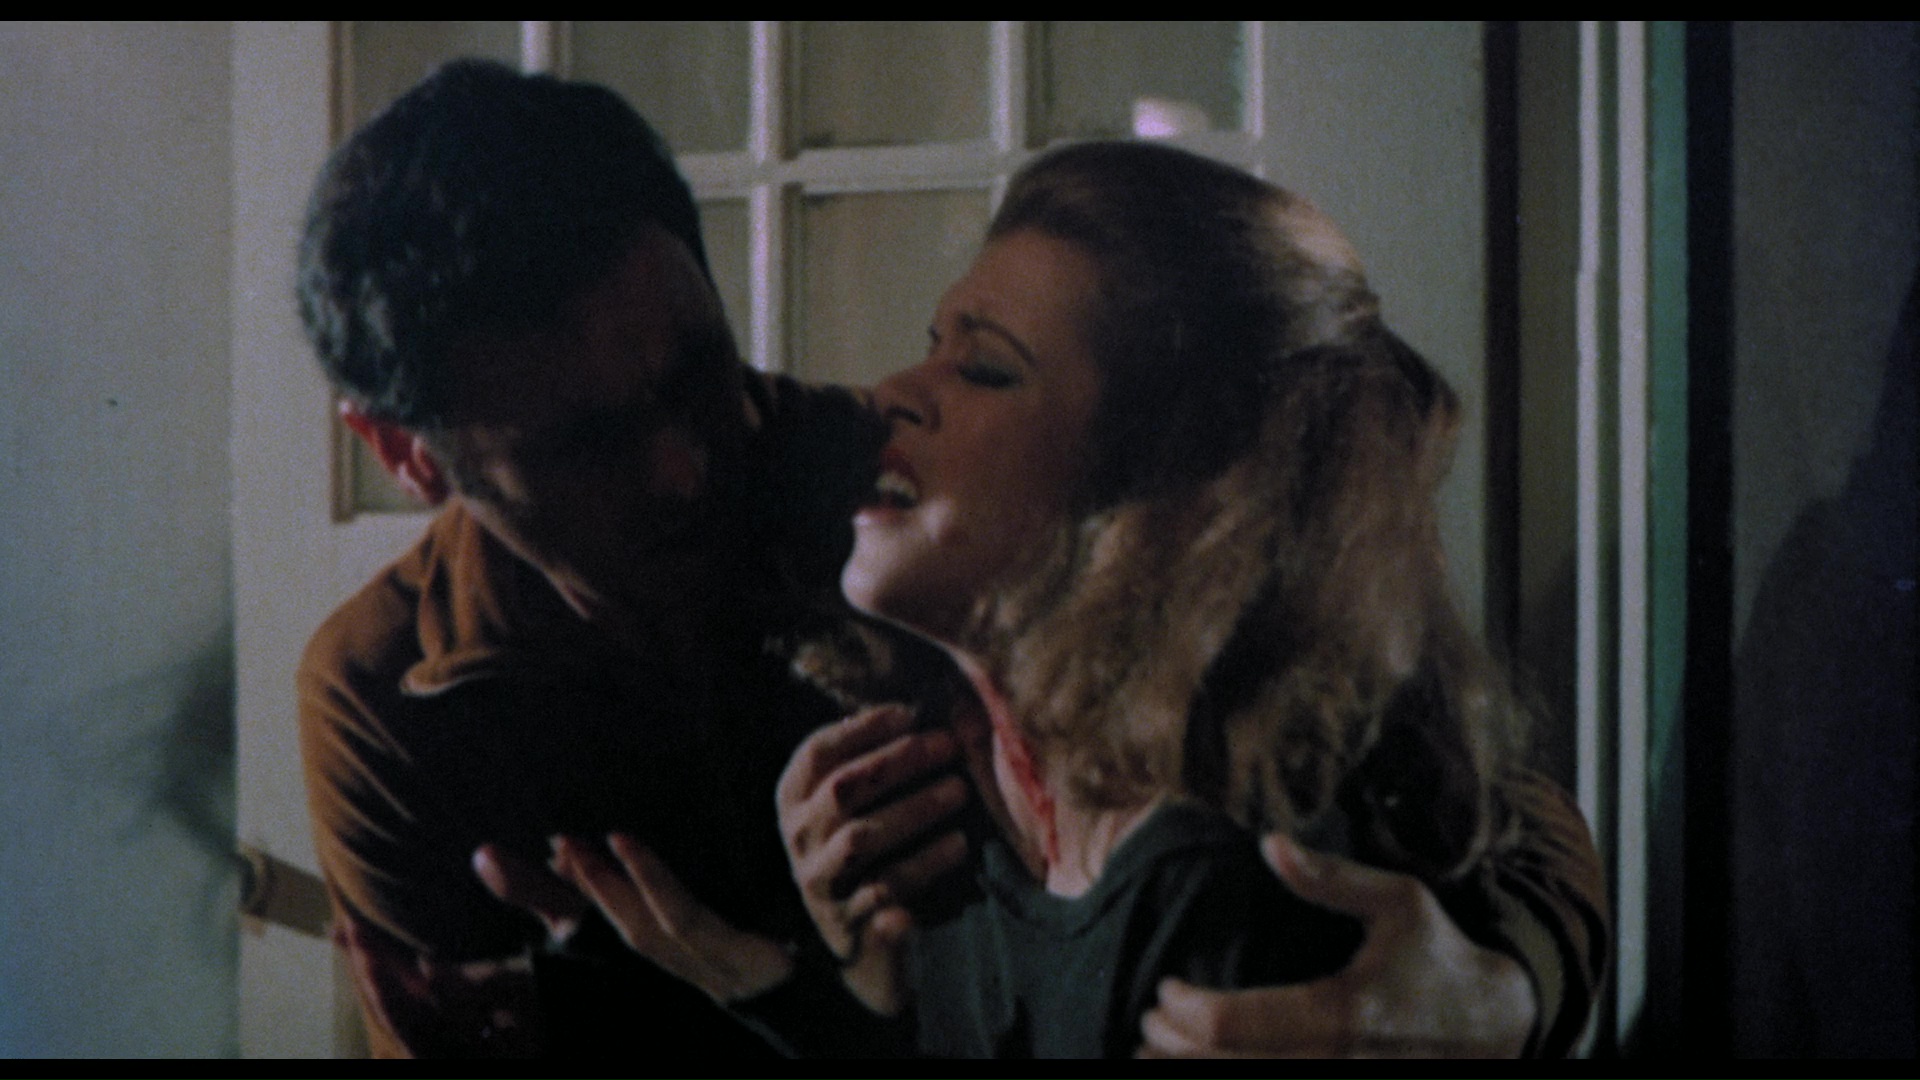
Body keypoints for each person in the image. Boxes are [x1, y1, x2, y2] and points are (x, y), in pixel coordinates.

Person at [554, 145, 1609, 1056]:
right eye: (934, 344)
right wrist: (807, 989)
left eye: (985, 368)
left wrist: (1512, 990)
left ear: (1165, 485)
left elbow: (1522, 826)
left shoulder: (1215, 894)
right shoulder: (948, 798)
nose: (890, 393)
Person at [294, 59, 881, 1056]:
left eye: (698, 371)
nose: (682, 471)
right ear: (403, 453)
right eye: (585, 444)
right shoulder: (386, 698)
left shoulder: (906, 504)